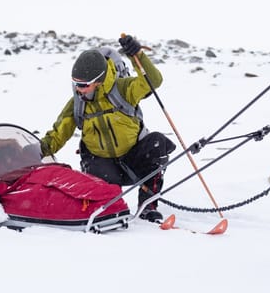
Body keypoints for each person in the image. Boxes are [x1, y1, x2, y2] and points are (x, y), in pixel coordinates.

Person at [40, 34, 175, 222]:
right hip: (102, 165)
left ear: (99, 80)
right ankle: (109, 208)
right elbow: (58, 134)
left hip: (133, 161)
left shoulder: (124, 89)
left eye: (83, 85)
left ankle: (147, 207)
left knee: (156, 142)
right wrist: (36, 152)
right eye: (75, 83)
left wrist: (136, 54)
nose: (78, 89)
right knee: (100, 177)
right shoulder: (77, 104)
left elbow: (154, 80)